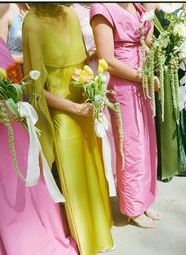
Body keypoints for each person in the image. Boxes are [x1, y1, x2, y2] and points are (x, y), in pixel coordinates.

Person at [0, 3, 79, 255]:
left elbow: (15, 82)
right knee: (8, 203)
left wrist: (20, 101)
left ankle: (45, 247)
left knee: (32, 193)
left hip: (18, 132)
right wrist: (1, 116)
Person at [22, 4, 114, 255]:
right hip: (63, 112)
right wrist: (73, 107)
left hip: (86, 103)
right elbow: (36, 88)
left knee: (95, 169)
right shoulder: (33, 23)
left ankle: (102, 231)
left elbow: (84, 65)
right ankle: (87, 239)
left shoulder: (72, 15)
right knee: (74, 176)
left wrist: (94, 95)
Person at [91, 3, 162, 228]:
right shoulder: (102, 9)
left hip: (144, 81)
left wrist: (170, 47)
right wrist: (142, 77)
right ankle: (132, 206)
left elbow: (147, 40)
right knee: (130, 146)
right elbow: (107, 60)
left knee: (147, 143)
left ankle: (144, 198)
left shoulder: (138, 5)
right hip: (123, 84)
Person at [143, 3, 186, 180]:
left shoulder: (183, 2)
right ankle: (170, 163)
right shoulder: (151, 3)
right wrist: (168, 49)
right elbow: (147, 37)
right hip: (164, 61)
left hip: (183, 61)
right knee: (168, 107)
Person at [71, 2, 117, 183]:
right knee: (102, 130)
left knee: (120, 130)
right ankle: (104, 184)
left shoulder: (111, 6)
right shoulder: (72, 12)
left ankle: (126, 188)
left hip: (117, 72)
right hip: (93, 75)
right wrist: (96, 51)